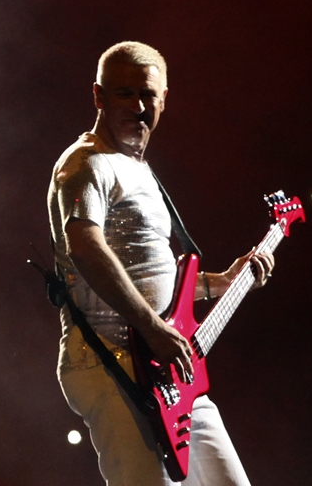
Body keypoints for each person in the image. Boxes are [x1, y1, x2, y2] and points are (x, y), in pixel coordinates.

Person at [47, 41, 274, 486]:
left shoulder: (140, 169)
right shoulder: (85, 163)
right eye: (123, 93)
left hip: (166, 367)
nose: (138, 105)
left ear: (164, 99)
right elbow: (85, 246)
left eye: (148, 94)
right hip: (111, 362)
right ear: (97, 96)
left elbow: (156, 275)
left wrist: (224, 282)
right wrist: (151, 327)